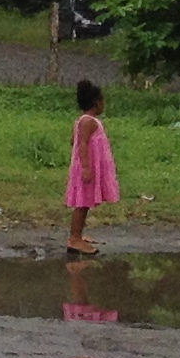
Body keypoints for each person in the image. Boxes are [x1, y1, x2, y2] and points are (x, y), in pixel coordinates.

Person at [66, 77, 118, 258]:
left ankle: (78, 235)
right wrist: (86, 168)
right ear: (97, 102)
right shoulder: (89, 122)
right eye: (103, 100)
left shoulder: (83, 120)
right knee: (82, 204)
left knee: (85, 203)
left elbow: (73, 141)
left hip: (86, 168)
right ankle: (74, 239)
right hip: (86, 170)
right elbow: (81, 144)